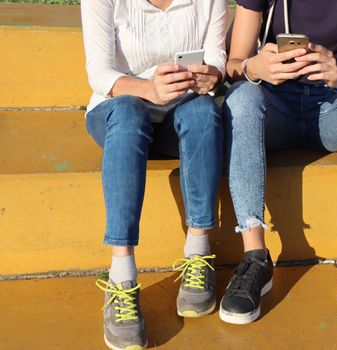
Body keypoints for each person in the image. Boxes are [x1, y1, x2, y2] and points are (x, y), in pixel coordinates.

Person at [222, 0, 337, 331]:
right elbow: (233, 66)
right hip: (274, 109)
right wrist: (255, 68)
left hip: (331, 108)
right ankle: (255, 256)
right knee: (241, 99)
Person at [81, 0, 227, 348]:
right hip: (119, 110)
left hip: (181, 111)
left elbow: (217, 57)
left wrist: (211, 76)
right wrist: (148, 89)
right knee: (130, 112)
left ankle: (198, 253)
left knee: (203, 112)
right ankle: (121, 278)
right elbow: (99, 73)